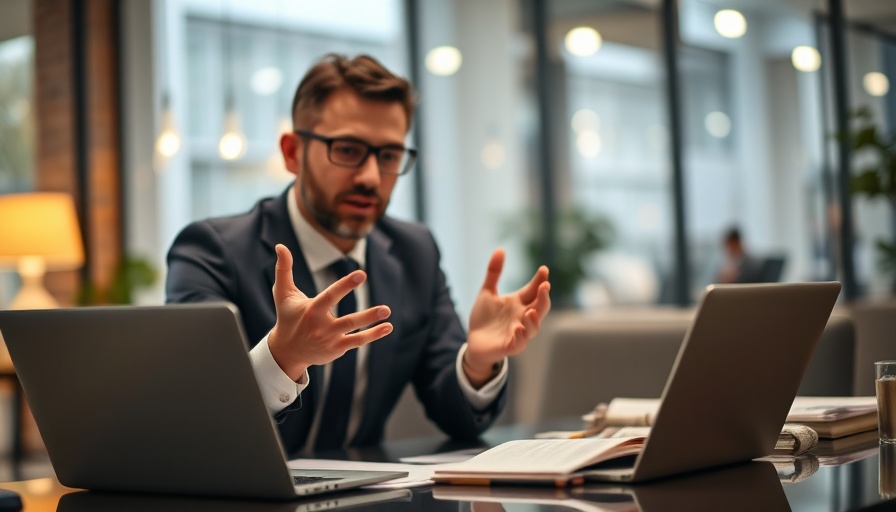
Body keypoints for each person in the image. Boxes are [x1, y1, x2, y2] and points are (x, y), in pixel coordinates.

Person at [165, 54, 551, 455]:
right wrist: (283, 356)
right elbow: (198, 421)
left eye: (388, 156)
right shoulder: (210, 251)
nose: (370, 177)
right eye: (348, 150)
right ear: (293, 152)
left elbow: (454, 414)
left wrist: (477, 362)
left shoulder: (414, 252)